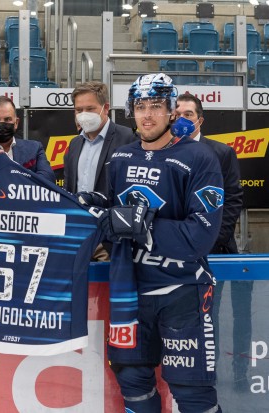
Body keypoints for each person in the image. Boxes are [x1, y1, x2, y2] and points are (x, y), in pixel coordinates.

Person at [99, 73, 224, 412]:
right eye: (140, 106)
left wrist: (139, 225)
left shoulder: (200, 158)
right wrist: (101, 220)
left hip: (182, 294)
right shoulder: (120, 160)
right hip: (131, 293)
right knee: (134, 386)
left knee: (193, 394)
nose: (148, 115)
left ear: (172, 112)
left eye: (157, 106)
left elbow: (200, 237)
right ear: (131, 111)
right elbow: (111, 229)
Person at [176, 92, 251, 392]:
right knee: (201, 319)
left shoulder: (221, 152)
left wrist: (208, 241)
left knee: (231, 315)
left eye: (188, 114)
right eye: (176, 113)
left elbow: (233, 200)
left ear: (200, 119)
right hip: (179, 255)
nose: (181, 119)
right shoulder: (163, 151)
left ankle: (240, 372)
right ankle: (207, 374)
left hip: (216, 252)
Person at [63, 81, 136, 195]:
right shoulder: (74, 144)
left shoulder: (128, 139)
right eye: (79, 110)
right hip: (77, 211)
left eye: (90, 109)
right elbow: (68, 186)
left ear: (106, 108)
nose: (84, 115)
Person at [0, 95, 55, 182]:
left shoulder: (34, 148)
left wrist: (14, 180)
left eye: (7, 119)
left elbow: (48, 178)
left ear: (16, 123)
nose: (2, 124)